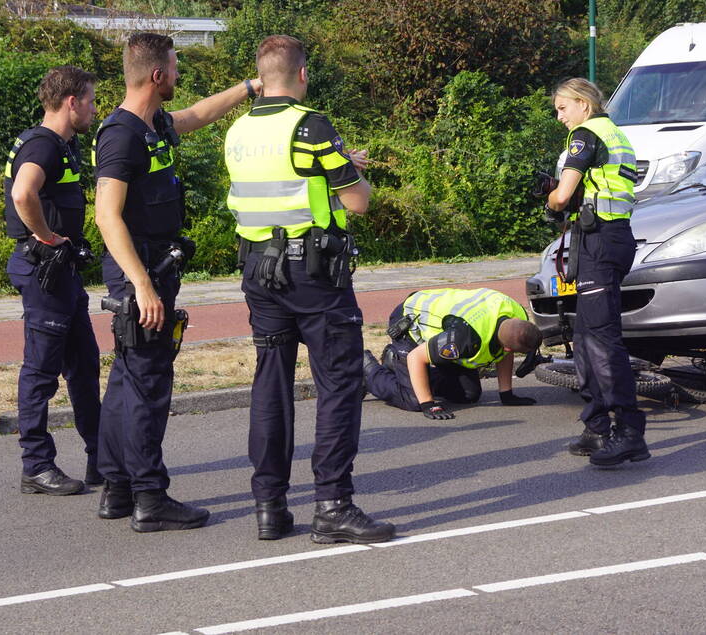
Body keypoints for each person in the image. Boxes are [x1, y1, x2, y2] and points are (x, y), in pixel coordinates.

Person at [223, 34, 394, 543]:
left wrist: (334, 165)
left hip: (258, 269)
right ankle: (333, 505)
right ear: (302, 74)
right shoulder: (312, 124)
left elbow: (285, 182)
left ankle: (270, 505)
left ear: (260, 74)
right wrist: (350, 170)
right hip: (313, 275)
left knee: (270, 382)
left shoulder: (237, 130)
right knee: (339, 382)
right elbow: (358, 201)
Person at [93, 32, 260, 532]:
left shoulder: (154, 125)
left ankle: (117, 487)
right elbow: (106, 215)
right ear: (158, 75)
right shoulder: (120, 134)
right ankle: (150, 497)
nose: (180, 74)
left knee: (127, 379)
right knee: (148, 385)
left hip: (154, 270)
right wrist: (141, 285)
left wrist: (248, 88)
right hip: (140, 275)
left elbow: (197, 115)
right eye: (176, 66)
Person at [5, 66, 101, 496]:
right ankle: (36, 466)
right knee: (42, 372)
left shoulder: (59, 143)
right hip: (44, 271)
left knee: (84, 365)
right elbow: (22, 194)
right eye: (92, 101)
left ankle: (102, 456)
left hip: (61, 275)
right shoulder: (44, 144)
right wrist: (48, 236)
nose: (94, 109)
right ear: (72, 102)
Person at [546, 77, 650, 467]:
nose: (560, 117)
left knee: (603, 340)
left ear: (583, 105)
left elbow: (561, 193)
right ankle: (597, 426)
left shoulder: (585, 134)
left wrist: (553, 200)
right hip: (611, 237)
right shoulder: (614, 133)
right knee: (587, 335)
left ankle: (629, 432)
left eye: (562, 108)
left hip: (601, 242)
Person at [363, 288, 542, 420]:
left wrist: (506, 394)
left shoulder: (515, 315)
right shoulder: (464, 338)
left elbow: (504, 348)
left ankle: (399, 367)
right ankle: (368, 369)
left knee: (468, 394)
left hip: (449, 328)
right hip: (409, 323)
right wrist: (428, 404)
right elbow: (416, 357)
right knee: (413, 399)